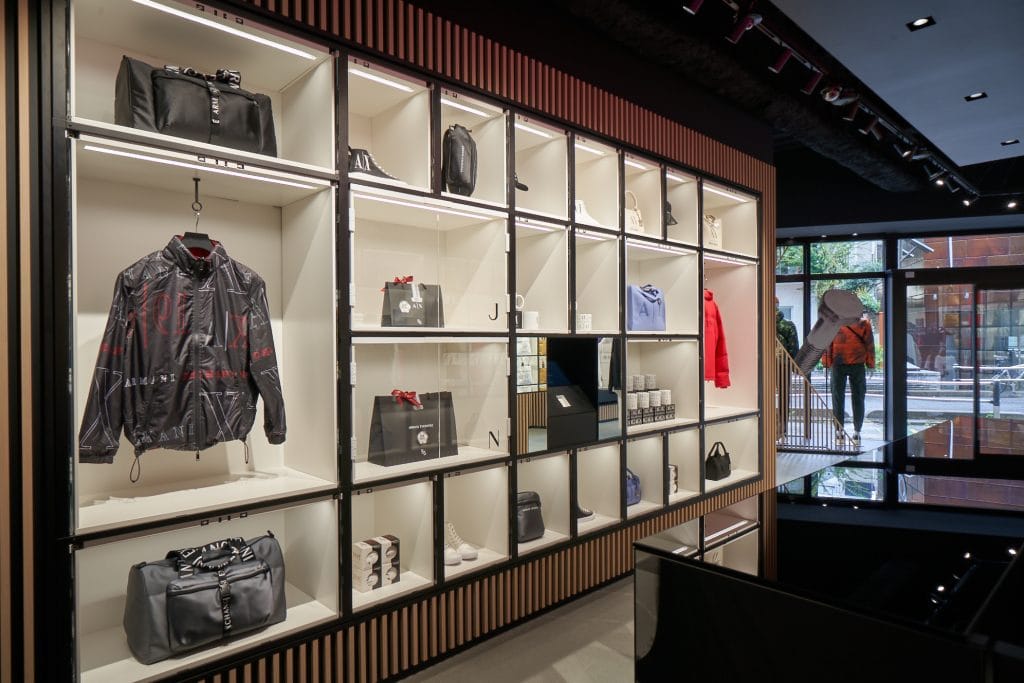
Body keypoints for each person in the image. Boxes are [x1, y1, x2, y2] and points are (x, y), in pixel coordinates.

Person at [822, 313, 875, 446]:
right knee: (858, 397)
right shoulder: (864, 324)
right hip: (857, 362)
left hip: (838, 362)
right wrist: (870, 364)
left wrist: (826, 364)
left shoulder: (833, 322)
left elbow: (827, 344)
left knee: (837, 398)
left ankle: (839, 432)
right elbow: (869, 344)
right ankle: (857, 432)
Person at [775, 297, 799, 437]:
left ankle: (765, 426)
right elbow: (794, 348)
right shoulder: (788, 325)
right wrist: (794, 366)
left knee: (762, 395)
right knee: (784, 396)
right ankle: (782, 429)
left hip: (763, 366)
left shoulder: (760, 323)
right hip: (783, 365)